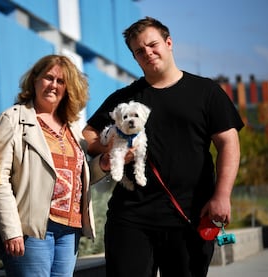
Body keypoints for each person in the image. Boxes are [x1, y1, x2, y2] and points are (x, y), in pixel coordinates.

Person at [83, 17, 244, 277]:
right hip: (130, 217)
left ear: (169, 43)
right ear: (135, 58)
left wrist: (222, 196)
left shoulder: (206, 91)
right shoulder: (124, 99)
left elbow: (229, 144)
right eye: (139, 51)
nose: (147, 52)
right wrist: (110, 148)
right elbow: (88, 134)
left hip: (189, 216)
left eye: (152, 44)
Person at [0, 54, 95, 276]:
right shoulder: (12, 119)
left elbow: (78, 176)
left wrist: (104, 165)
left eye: (61, 81)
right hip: (32, 230)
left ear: (68, 88)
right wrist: (11, 230)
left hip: (70, 229)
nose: (53, 85)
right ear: (35, 79)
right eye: (48, 77)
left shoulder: (74, 127)